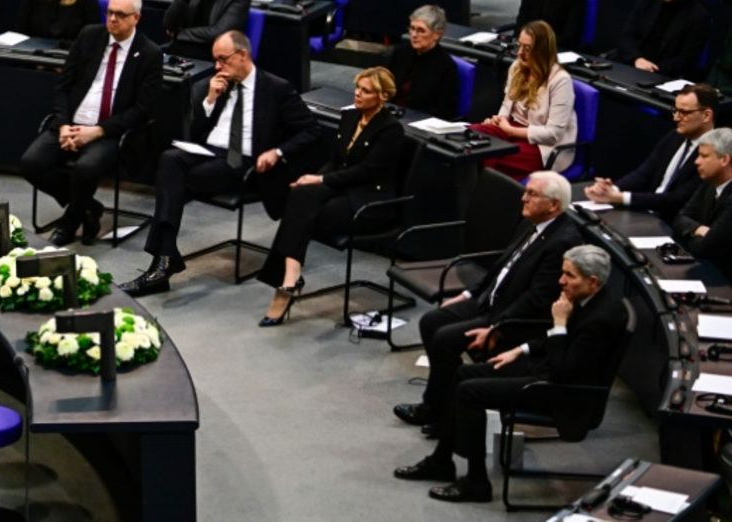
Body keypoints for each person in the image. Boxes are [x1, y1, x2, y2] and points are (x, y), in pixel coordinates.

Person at [396, 246, 626, 505]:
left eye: (569, 276)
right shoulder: (588, 300)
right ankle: (441, 461)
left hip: (561, 393)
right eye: (562, 273)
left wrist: (560, 323)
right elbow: (553, 343)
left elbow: (565, 371)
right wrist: (519, 350)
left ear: (592, 281)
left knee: (469, 392)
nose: (561, 281)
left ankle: (476, 483)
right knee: (462, 374)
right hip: (546, 371)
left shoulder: (603, 319)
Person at [122, 29, 320, 296]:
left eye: (223, 59)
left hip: (243, 159)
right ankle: (166, 256)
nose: (217, 66)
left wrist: (278, 152)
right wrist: (210, 100)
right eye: (215, 60)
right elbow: (193, 131)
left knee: (174, 178)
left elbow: (310, 130)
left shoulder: (276, 88)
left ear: (243, 55)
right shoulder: (218, 84)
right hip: (208, 151)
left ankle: (163, 263)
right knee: (169, 159)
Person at [391, 171, 580, 440]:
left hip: (511, 318)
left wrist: (497, 327)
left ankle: (437, 408)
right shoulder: (532, 223)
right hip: (489, 300)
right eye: (526, 192)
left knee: (445, 339)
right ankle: (442, 401)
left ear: (554, 205)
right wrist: (468, 295)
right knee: (431, 321)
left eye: (532, 194)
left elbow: (537, 300)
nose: (523, 198)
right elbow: (501, 267)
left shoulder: (562, 241)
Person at [257, 67, 404, 325]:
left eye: (366, 91)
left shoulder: (391, 130)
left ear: (382, 97)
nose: (358, 94)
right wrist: (313, 178)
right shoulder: (349, 117)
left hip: (369, 200)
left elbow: (366, 172)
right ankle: (290, 277)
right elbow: (336, 161)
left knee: (302, 210)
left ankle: (287, 280)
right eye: (357, 88)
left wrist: (321, 179)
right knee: (301, 194)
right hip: (342, 187)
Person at [20, 0, 163, 246]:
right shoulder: (89, 36)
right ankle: (89, 207)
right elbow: (63, 86)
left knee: (86, 169)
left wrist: (97, 131)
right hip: (71, 123)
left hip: (109, 131)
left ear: (136, 18)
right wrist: (64, 124)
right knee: (31, 163)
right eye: (110, 13)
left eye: (120, 15)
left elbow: (143, 110)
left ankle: (70, 222)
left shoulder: (149, 54)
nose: (113, 19)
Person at [584, 83, 718, 219]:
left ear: (706, 115)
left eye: (684, 112)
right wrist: (612, 189)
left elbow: (676, 200)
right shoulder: (675, 136)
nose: (676, 118)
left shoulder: (713, 155)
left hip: (672, 221)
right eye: (675, 110)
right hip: (647, 210)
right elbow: (644, 173)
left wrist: (619, 197)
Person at [471, 20, 577, 178]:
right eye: (519, 45)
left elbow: (553, 134)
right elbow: (507, 105)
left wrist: (510, 130)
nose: (520, 53)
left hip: (542, 145)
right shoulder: (517, 67)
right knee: (469, 135)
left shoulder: (560, 81)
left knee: (491, 156)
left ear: (542, 51)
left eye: (527, 48)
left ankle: (482, 197)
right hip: (511, 129)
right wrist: (499, 120)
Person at [611, 0, 712, 79]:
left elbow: (685, 61)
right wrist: (637, 59)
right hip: (633, 63)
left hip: (664, 75)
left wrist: (651, 68)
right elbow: (627, 35)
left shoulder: (699, 17)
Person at [673, 127, 732, 272]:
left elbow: (704, 249)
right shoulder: (710, 183)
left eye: (704, 156)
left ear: (724, 159)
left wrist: (690, 232)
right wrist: (699, 229)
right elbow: (679, 218)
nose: (697, 162)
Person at [388, 4, 461, 120]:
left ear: (437, 34)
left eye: (421, 30)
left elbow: (444, 111)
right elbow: (384, 87)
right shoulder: (400, 52)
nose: (414, 35)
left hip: (417, 123)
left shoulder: (446, 67)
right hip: (391, 114)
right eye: (412, 28)